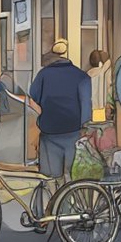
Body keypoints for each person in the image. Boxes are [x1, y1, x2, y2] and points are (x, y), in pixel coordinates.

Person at [27, 40, 91, 188]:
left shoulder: (43, 75)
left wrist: (41, 117)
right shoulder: (82, 76)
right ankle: (69, 206)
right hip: (74, 131)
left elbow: (33, 99)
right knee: (73, 176)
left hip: (50, 131)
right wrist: (84, 128)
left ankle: (53, 206)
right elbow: (86, 105)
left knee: (50, 177)